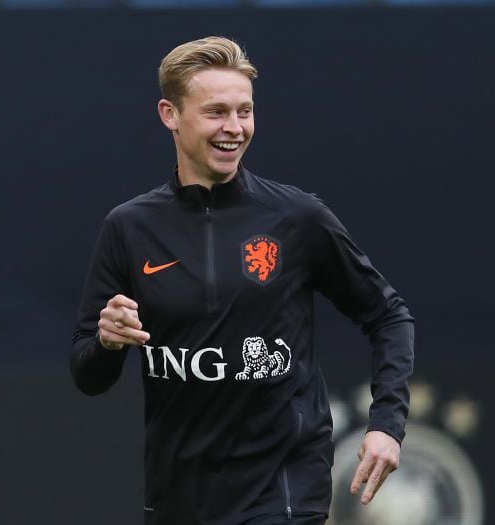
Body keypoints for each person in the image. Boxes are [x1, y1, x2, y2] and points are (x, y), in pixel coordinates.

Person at [71, 36, 413, 524]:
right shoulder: (128, 227)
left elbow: (388, 315)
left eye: (245, 111)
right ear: (170, 114)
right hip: (179, 495)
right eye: (216, 112)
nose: (234, 128)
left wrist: (387, 424)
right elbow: (87, 375)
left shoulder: (296, 217)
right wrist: (106, 341)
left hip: (284, 488)